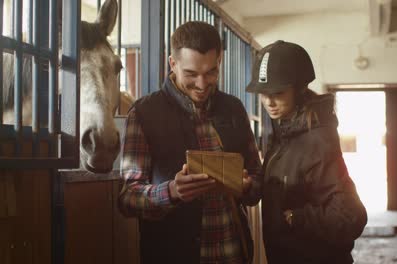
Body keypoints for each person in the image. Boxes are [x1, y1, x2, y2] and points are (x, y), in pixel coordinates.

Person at [118, 21, 261, 264]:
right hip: (172, 254)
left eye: (211, 72)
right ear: (173, 64)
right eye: (191, 74)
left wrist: (246, 186)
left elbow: (258, 179)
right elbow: (128, 198)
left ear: (220, 62)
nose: (202, 84)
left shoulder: (234, 109)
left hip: (235, 252)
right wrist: (172, 192)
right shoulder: (144, 113)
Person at [244, 40, 368, 264]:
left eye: (278, 93)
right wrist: (250, 186)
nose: (269, 102)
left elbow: (350, 217)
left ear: (299, 89)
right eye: (263, 93)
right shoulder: (284, 131)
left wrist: (296, 218)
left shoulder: (317, 139)